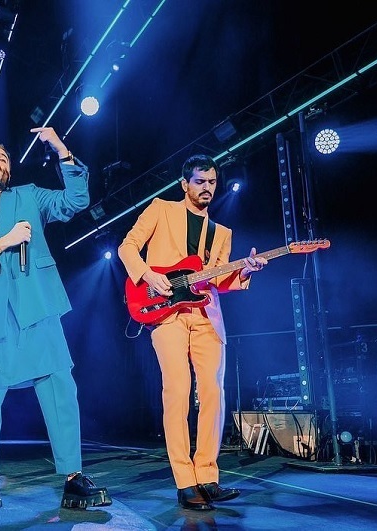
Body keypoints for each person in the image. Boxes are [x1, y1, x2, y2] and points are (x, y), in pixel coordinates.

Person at [0, 127, 112, 513]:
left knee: (59, 387)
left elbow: (76, 200)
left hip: (37, 304)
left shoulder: (29, 196)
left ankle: (73, 477)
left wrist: (61, 149)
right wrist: (2, 242)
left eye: (4, 158)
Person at [117, 154, 266, 511]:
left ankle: (208, 478)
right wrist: (147, 274)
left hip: (206, 316)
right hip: (167, 312)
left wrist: (244, 272)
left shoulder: (222, 233)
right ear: (185, 184)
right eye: (200, 181)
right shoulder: (161, 209)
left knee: (213, 393)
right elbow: (127, 247)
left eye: (212, 182)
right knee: (178, 392)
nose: (207, 188)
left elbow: (218, 280)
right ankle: (185, 483)